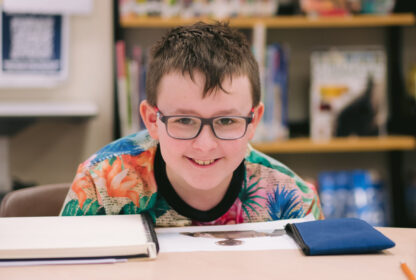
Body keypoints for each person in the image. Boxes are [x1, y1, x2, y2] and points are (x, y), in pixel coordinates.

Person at [60, 22, 323, 226]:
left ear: (253, 120)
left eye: (227, 120)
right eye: (184, 120)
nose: (205, 145)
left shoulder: (294, 200)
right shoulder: (98, 184)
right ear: (153, 119)